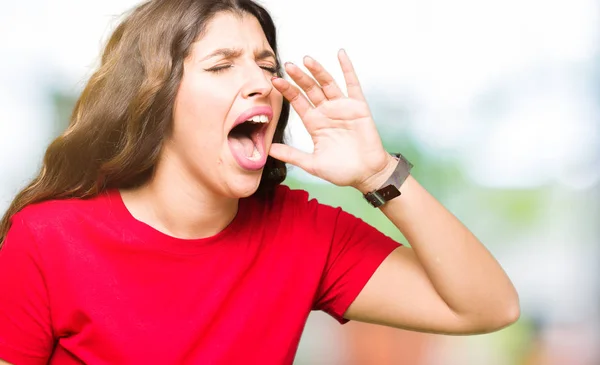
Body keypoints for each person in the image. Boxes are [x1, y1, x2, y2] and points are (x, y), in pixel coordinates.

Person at [0, 0, 520, 364]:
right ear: (153, 99)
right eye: (222, 65)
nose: (260, 84)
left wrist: (378, 173)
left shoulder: (304, 231)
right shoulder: (47, 237)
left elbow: (488, 306)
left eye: (266, 65)